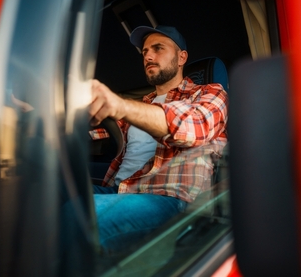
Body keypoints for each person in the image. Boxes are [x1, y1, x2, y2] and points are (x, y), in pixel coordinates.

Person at [89, 25, 228, 253]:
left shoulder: (210, 93)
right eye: (144, 52)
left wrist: (120, 105)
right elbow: (102, 132)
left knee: (78, 216)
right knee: (46, 197)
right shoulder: (142, 105)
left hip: (168, 199)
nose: (149, 56)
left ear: (182, 57)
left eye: (158, 48)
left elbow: (195, 128)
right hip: (119, 190)